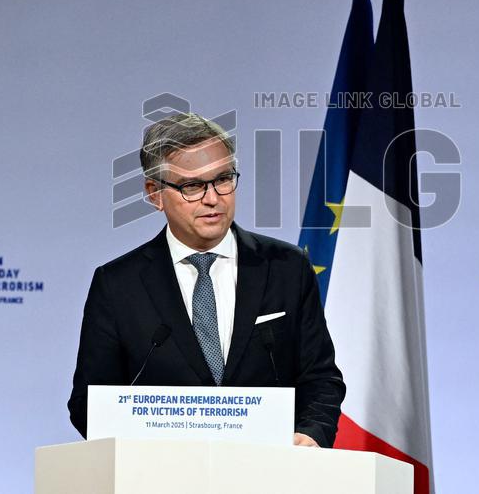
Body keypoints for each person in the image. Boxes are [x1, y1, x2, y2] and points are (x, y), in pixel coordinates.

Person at [68, 113, 345, 447]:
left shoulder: (286, 267)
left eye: (223, 179)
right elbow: (89, 402)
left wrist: (311, 434)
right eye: (192, 186)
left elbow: (320, 378)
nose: (213, 198)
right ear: (155, 193)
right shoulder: (118, 285)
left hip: (269, 472)